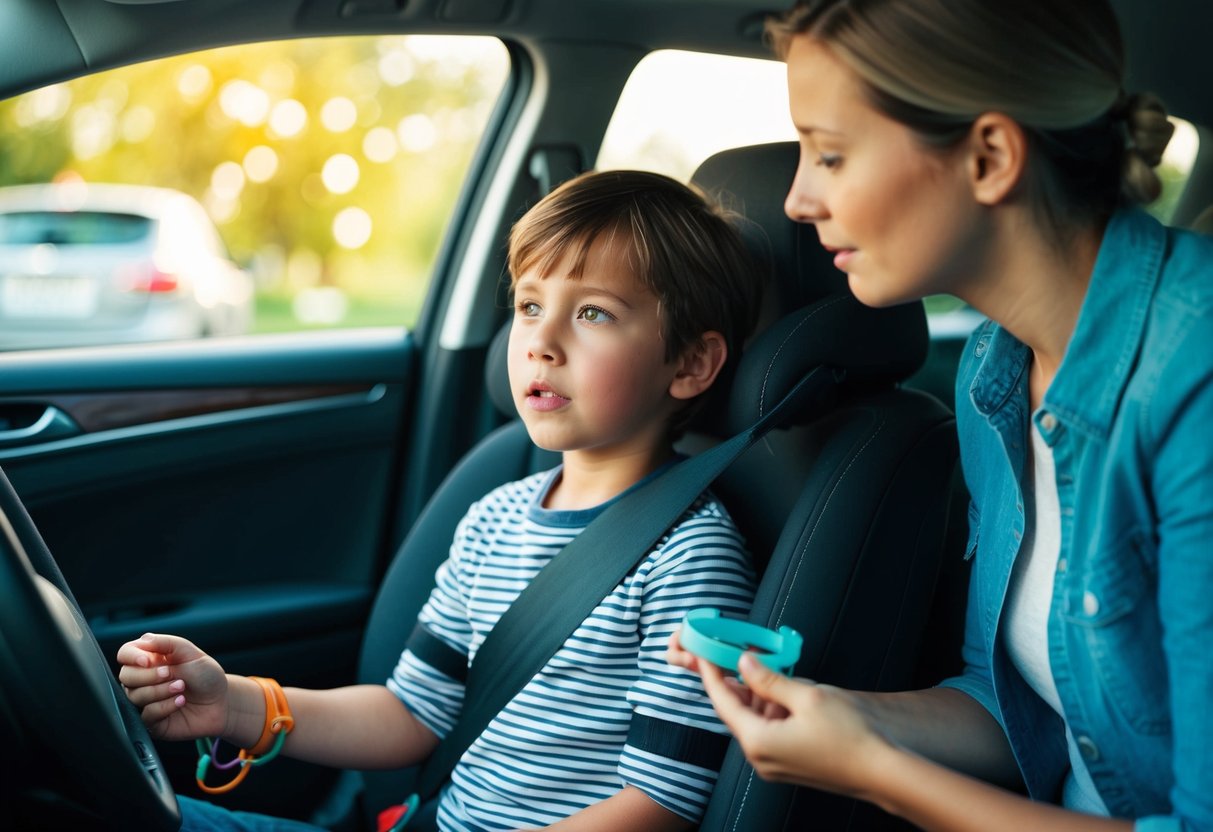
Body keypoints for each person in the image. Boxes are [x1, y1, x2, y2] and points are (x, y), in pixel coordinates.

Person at [668, 1, 1213, 830]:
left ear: (989, 156)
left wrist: (872, 771)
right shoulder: (993, 374)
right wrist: (843, 717)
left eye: (829, 154)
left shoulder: (1193, 381)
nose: (795, 200)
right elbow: (1013, 698)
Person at [118, 169, 763, 832]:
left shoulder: (690, 556)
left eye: (593, 312)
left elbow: (662, 802)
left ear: (689, 364)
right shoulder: (494, 519)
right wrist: (233, 704)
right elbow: (411, 714)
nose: (541, 341)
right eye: (531, 306)